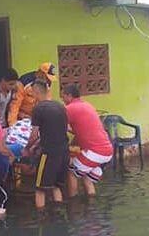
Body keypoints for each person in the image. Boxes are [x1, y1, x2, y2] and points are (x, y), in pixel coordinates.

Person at [62, 84, 113, 196]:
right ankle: (91, 205)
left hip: (95, 151)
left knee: (71, 172)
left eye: (63, 97)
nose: (63, 100)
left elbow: (58, 125)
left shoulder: (70, 108)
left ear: (69, 96)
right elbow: (82, 129)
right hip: (107, 150)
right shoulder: (87, 105)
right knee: (86, 175)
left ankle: (73, 203)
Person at [25, 79, 69, 208]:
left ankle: (41, 218)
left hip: (49, 153)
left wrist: (27, 147)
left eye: (32, 92)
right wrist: (35, 145)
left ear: (36, 92)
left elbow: (34, 134)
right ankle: (58, 214)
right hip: (64, 151)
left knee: (40, 188)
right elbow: (55, 131)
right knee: (56, 186)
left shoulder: (38, 109)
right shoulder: (60, 106)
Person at [7, 62, 57, 126]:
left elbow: (47, 103)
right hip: (22, 118)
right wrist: (12, 125)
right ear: (41, 73)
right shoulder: (24, 82)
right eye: (47, 77)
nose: (48, 80)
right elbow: (15, 105)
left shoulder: (46, 84)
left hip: (36, 118)